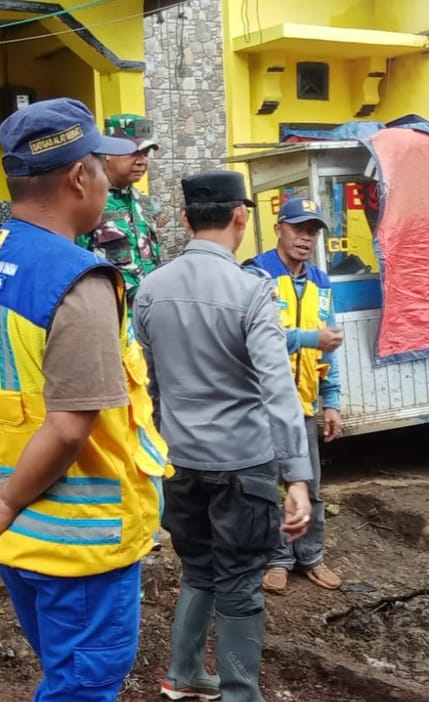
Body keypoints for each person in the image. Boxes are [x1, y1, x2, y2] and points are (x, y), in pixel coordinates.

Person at [0, 99, 170, 702]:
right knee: (83, 686)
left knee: (63, 671)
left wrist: (7, 498)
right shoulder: (80, 278)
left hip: (18, 524)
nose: (105, 179)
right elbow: (72, 427)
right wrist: (12, 500)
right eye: (101, 165)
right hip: (78, 535)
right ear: (80, 176)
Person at [134, 170, 313, 702]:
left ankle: (185, 672)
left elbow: (149, 377)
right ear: (241, 217)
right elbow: (278, 389)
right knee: (238, 583)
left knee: (199, 571)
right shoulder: (251, 291)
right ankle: (240, 695)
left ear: (187, 221)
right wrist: (297, 477)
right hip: (243, 466)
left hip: (180, 463)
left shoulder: (149, 289)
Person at [247, 198, 345, 595]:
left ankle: (311, 557)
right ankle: (276, 559)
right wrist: (309, 339)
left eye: (313, 230)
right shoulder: (256, 274)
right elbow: (253, 337)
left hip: (303, 401)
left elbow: (331, 344)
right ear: (279, 228)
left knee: (310, 485)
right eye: (298, 228)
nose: (306, 237)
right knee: (269, 485)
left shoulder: (321, 281)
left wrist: (332, 399)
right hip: (261, 403)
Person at [77, 113, 164, 311]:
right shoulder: (88, 203)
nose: (142, 161)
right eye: (134, 152)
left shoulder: (146, 204)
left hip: (149, 317)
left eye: (146, 153)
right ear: (107, 152)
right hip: (110, 317)